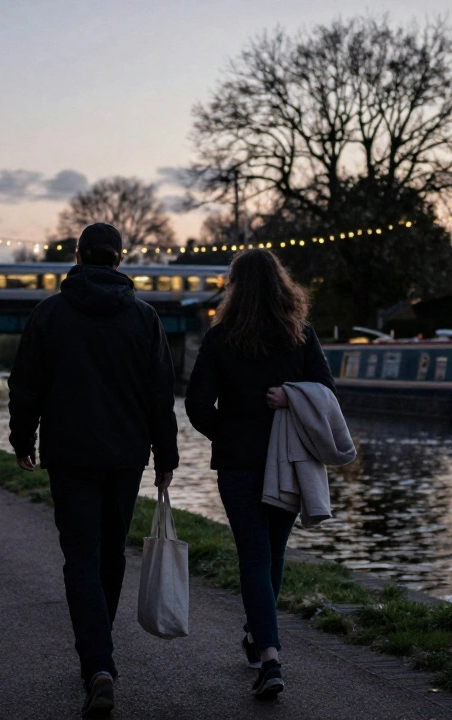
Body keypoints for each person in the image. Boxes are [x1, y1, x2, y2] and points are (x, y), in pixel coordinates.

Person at [8, 222, 179, 718]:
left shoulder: (48, 314)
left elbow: (26, 385)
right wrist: (165, 456)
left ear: (79, 257)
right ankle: (101, 656)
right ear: (120, 260)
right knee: (110, 555)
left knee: (79, 557)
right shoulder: (145, 318)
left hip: (69, 454)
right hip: (126, 456)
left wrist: (24, 440)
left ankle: (98, 666)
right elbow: (159, 395)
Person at [184, 248, 336, 700]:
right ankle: (261, 642)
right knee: (272, 554)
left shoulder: (220, 338)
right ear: (281, 284)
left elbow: (195, 406)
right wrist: (292, 399)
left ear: (234, 288)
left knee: (254, 556)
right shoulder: (300, 335)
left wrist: (226, 434)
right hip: (288, 463)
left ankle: (267, 653)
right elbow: (327, 391)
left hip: (238, 465)